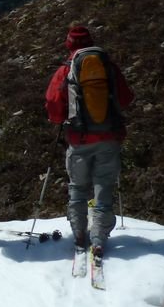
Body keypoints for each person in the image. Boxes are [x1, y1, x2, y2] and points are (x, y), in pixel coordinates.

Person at [45, 25, 134, 259]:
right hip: (109, 137)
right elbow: (126, 98)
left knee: (77, 188)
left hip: (79, 138)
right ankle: (99, 239)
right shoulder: (108, 67)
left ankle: (78, 234)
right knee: (103, 187)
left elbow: (53, 104)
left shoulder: (66, 69)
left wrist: (64, 117)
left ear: (69, 44)